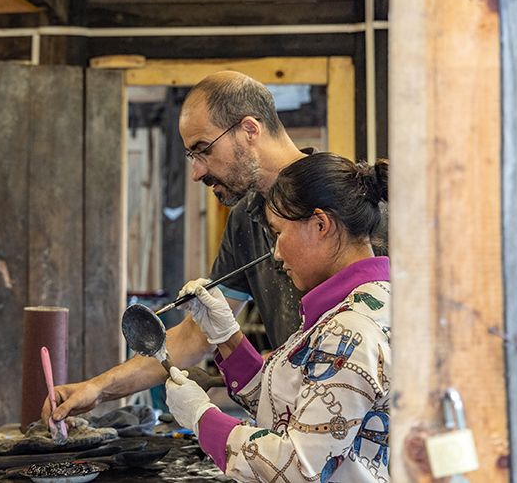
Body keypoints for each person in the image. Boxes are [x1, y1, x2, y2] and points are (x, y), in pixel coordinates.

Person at [44, 71, 308, 424]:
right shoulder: (246, 218)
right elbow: (196, 336)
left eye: (204, 150)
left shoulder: (348, 202)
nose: (196, 172)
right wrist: (98, 388)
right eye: (191, 156)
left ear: (249, 129)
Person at [165, 152, 390, 482]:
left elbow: (298, 468)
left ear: (320, 225)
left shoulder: (349, 328)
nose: (277, 253)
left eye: (278, 233)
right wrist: (227, 337)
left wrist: (203, 418)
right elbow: (301, 410)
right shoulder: (363, 305)